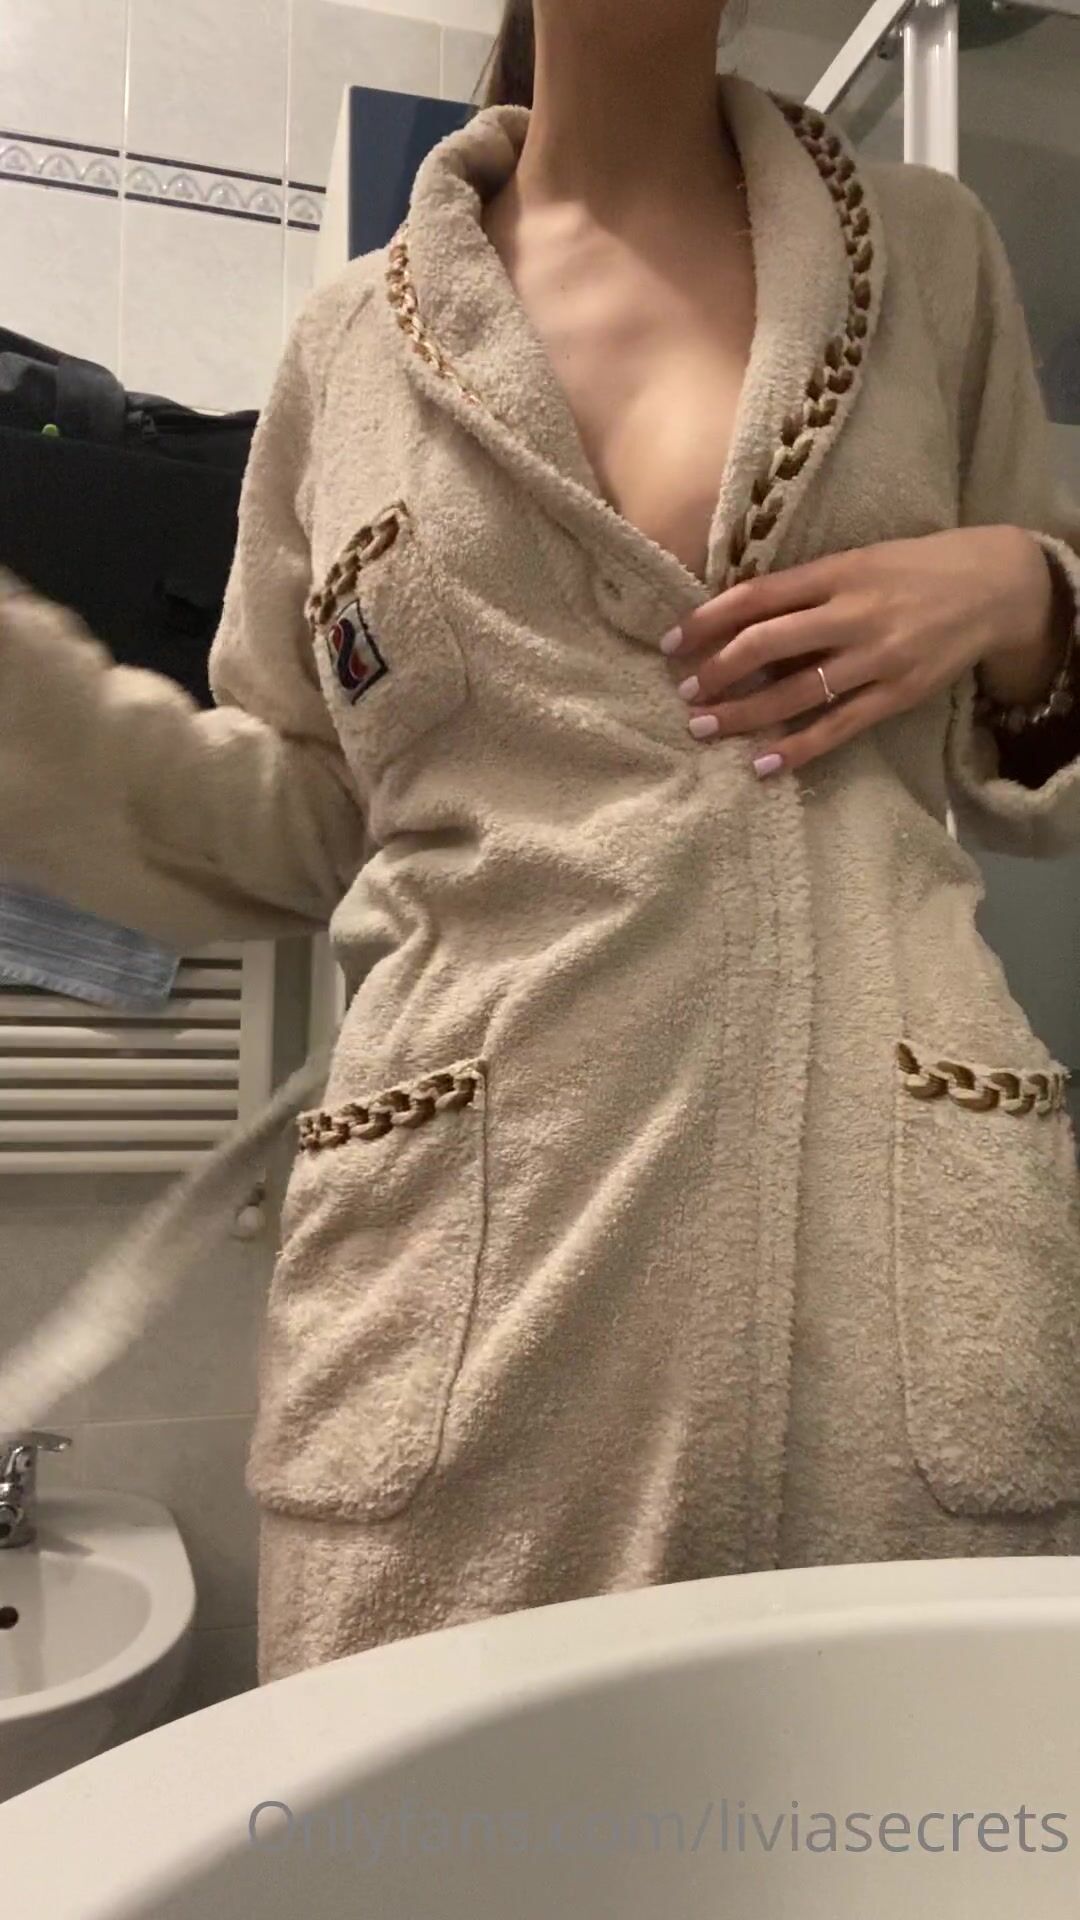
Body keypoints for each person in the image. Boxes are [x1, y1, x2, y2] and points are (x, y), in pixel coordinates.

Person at [2, 0, 1080, 1688]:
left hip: (892, 1290)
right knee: (434, 1813)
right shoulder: (347, 350)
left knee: (910, 1805)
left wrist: (1032, 594)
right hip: (467, 1314)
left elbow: (1046, 777)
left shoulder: (933, 259)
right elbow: (307, 817)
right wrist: (31, 713)